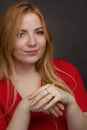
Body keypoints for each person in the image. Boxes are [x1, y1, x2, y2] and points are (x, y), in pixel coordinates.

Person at [0, 1, 87, 130]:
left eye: (39, 32)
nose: (32, 42)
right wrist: (23, 108)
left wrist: (71, 104)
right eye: (20, 34)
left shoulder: (67, 71)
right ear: (6, 38)